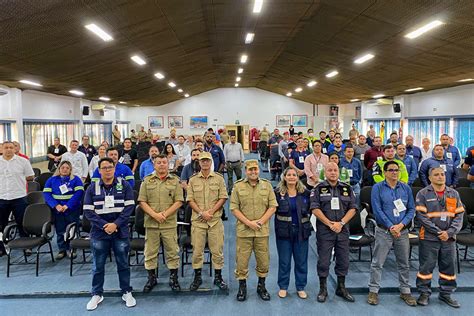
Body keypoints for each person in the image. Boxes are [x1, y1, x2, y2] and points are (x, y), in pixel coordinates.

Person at [83, 157, 136, 310]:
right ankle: (97, 293)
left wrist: (115, 224)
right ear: (99, 171)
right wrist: (105, 225)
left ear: (114, 168)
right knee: (98, 266)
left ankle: (126, 291)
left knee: (123, 264)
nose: (107, 170)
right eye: (104, 168)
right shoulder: (92, 188)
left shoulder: (123, 184)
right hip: (100, 233)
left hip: (120, 231)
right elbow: (88, 211)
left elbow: (129, 208)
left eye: (110, 167)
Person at [367, 161, 417, 306]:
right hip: (384, 231)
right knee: (377, 263)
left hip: (403, 231)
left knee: (404, 263)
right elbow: (377, 210)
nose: (395, 172)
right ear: (385, 172)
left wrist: (401, 225)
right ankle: (373, 291)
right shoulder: (377, 188)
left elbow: (411, 209)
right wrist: (391, 226)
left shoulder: (406, 188)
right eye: (391, 170)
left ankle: (405, 291)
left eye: (397, 170)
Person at [415, 167, 464, 308]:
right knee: (426, 267)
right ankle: (424, 293)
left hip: (448, 238)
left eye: (442, 174)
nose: (440, 177)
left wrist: (449, 233)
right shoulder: (423, 194)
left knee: (448, 267)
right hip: (429, 238)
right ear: (430, 178)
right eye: (436, 175)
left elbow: (459, 216)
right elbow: (422, 217)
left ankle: (446, 294)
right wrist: (438, 232)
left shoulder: (453, 193)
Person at [230, 159, 278, 302]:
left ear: (258, 170)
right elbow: (234, 208)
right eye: (250, 170)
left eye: (255, 169)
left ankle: (261, 286)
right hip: (244, 231)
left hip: (261, 230)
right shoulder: (238, 187)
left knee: (263, 260)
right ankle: (242, 287)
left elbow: (273, 206)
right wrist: (249, 223)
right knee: (242, 261)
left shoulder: (267, 185)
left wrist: (261, 221)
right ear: (246, 171)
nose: (253, 172)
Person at [310, 162, 357, 303]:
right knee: (324, 261)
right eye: (329, 170)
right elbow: (315, 208)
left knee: (343, 260)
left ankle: (341, 287)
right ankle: (323, 288)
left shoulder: (347, 188)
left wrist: (341, 223)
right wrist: (329, 223)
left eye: (335, 170)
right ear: (325, 172)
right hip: (325, 230)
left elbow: (353, 208)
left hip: (342, 230)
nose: (333, 172)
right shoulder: (318, 188)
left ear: (339, 172)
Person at [139, 154, 183, 293]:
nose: (162, 165)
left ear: (168, 164)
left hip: (168, 223)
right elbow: (142, 201)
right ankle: (151, 278)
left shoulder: (175, 181)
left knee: (172, 251)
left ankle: (173, 278)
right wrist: (155, 215)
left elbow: (179, 201)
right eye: (159, 162)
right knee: (150, 252)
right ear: (154, 165)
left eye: (164, 162)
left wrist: (164, 214)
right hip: (151, 224)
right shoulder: (147, 181)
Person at [187, 152, 228, 291]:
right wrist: (201, 213)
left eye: (207, 161)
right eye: (202, 161)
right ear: (199, 163)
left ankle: (218, 277)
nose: (205, 163)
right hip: (198, 221)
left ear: (211, 162)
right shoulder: (192, 180)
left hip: (214, 220)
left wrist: (211, 212)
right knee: (197, 251)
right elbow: (190, 199)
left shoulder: (219, 179)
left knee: (217, 251)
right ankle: (197, 277)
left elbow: (223, 197)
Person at [274, 167, 312, 299]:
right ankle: (283, 286)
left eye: (294, 175)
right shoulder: (277, 193)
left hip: (302, 231)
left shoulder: (306, 193)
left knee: (301, 261)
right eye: (288, 175)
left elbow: (313, 209)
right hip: (284, 232)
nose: (291, 177)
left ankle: (300, 287)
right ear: (284, 177)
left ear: (297, 177)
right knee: (284, 261)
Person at [43, 161, 84, 259]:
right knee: (60, 229)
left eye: (67, 168)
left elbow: (79, 193)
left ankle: (72, 248)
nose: (65, 169)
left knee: (72, 228)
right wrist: (56, 205)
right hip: (58, 209)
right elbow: (47, 194)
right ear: (59, 169)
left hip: (72, 209)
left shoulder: (76, 179)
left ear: (70, 170)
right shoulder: (52, 180)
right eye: (63, 167)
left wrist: (68, 205)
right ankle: (62, 249)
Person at [0, 141, 35, 256]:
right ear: (2, 149)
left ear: (15, 149)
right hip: (2, 197)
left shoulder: (23, 161)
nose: (9, 149)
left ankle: (26, 246)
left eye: (11, 147)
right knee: (1, 224)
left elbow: (30, 176)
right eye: (6, 148)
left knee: (22, 223)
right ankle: (2, 247)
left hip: (19, 197)